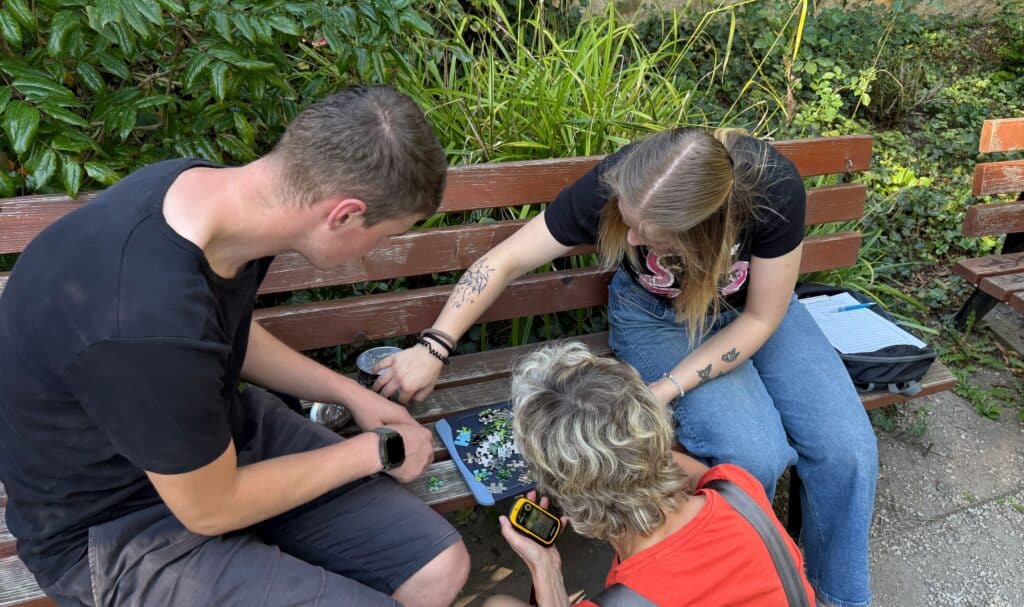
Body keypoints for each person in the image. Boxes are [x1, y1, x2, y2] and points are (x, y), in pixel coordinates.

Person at [0, 85, 470, 606]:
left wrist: (353, 394)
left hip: (218, 435)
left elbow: (217, 335)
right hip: (118, 525)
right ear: (343, 215)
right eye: (382, 236)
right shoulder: (145, 319)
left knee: (439, 569)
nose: (371, 255)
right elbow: (211, 509)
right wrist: (378, 450)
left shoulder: (210, 199)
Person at [376, 127, 878, 607]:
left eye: (649, 232)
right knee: (753, 453)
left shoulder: (772, 188)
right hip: (657, 318)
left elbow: (762, 318)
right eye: (628, 218)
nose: (631, 235)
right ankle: (718, 585)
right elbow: (505, 259)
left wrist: (663, 389)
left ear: (705, 229)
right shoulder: (627, 180)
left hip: (759, 310)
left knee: (848, 448)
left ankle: (828, 596)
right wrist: (435, 345)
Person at [482, 342, 816, 606]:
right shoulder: (738, 489)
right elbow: (682, 468)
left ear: (569, 493)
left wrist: (546, 570)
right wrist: (624, 438)